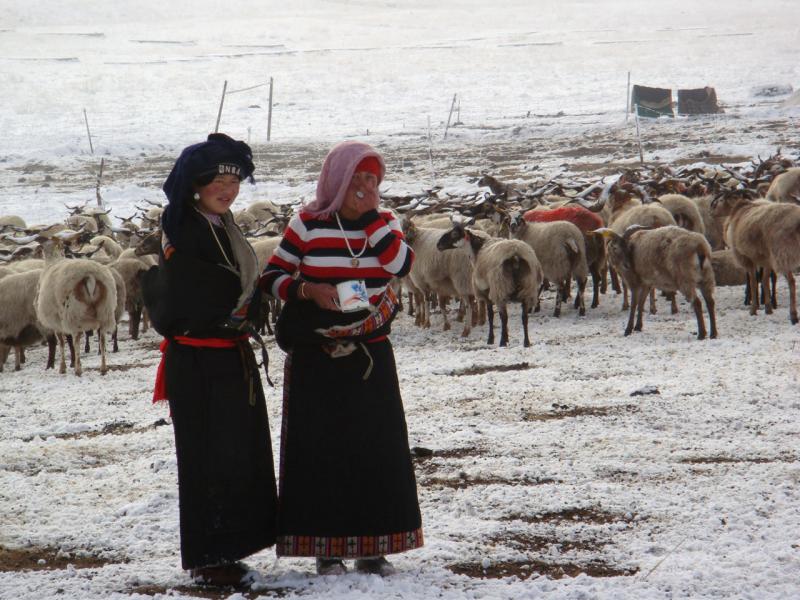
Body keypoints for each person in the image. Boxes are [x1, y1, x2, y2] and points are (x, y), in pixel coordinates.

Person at [260, 140, 423, 577]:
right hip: (318, 353)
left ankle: (374, 547)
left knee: (375, 447)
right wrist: (307, 289)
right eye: (358, 179)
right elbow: (271, 277)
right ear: (337, 180)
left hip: (370, 352)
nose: (366, 187)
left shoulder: (386, 222)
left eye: (373, 179)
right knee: (322, 448)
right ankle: (326, 548)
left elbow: (401, 266)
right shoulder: (308, 224)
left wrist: (371, 219)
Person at [142, 133, 278, 586]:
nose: (228, 188)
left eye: (235, 180)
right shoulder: (183, 225)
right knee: (208, 457)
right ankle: (209, 557)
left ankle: (230, 548)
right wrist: (237, 306)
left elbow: (234, 287)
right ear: (196, 184)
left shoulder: (223, 224)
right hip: (200, 363)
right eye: (218, 179)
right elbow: (198, 292)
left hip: (227, 356)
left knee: (236, 453)